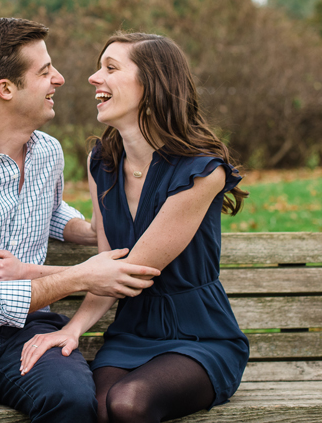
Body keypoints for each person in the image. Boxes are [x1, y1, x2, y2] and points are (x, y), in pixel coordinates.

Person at [0, 18, 161, 423]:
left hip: (29, 327)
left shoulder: (46, 152)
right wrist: (79, 277)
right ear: (6, 89)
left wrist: (94, 232)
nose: (60, 78)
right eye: (44, 72)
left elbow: (50, 212)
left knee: (72, 399)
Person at [16, 32, 250, 423]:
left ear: (153, 84)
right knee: (101, 408)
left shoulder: (200, 171)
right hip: (131, 332)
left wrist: (32, 274)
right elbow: (108, 264)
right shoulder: (102, 162)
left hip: (198, 335)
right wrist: (74, 330)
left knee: (129, 404)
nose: (93, 78)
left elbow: (134, 270)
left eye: (110, 68)